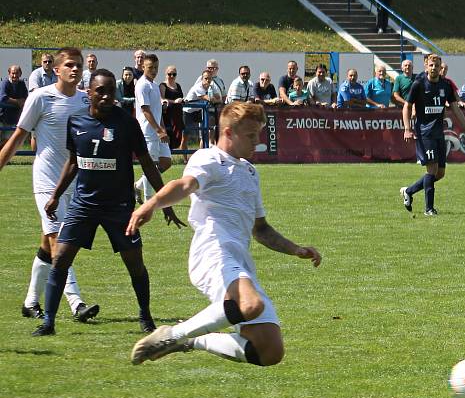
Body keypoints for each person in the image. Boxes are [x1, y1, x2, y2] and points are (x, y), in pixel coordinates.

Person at [128, 103, 322, 367]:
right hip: (213, 252)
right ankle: (173, 335)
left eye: (259, 135)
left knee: (269, 350)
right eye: (251, 136)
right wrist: (151, 204)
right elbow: (183, 185)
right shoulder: (209, 159)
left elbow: (261, 228)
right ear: (229, 133)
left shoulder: (250, 173)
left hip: (239, 261)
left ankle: (190, 339)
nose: (257, 142)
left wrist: (294, 248)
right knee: (250, 304)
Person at [31, 70, 185, 337]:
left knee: (135, 264)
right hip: (83, 206)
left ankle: (145, 317)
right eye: (100, 90)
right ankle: (48, 323)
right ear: (88, 92)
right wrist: (56, 195)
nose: (105, 95)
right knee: (60, 260)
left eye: (110, 91)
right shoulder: (76, 121)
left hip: (120, 208)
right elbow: (73, 162)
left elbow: (147, 163)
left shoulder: (126, 123)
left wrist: (164, 201)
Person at [0, 48, 98, 324]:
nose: (75, 69)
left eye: (78, 65)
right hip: (45, 182)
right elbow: (18, 136)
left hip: (74, 183)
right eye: (69, 65)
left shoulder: (84, 100)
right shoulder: (40, 98)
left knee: (47, 242)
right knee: (60, 243)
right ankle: (76, 302)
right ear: (57, 70)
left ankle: (31, 302)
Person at [400, 54, 465, 216]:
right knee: (432, 169)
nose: (434, 68)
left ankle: (409, 191)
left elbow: (455, 109)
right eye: (431, 65)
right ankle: (429, 209)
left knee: (440, 173)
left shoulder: (446, 85)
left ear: (441, 67)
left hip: (439, 133)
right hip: (424, 133)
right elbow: (407, 106)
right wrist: (407, 128)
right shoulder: (418, 84)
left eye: (437, 65)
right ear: (426, 66)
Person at [134, 54, 172, 203]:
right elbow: (145, 110)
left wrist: (163, 128)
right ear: (143, 67)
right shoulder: (142, 85)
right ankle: (149, 201)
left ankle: (137, 185)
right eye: (150, 67)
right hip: (148, 132)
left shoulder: (155, 85)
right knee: (151, 165)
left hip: (157, 131)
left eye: (156, 67)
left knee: (166, 162)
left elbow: (157, 111)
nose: (154, 70)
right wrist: (158, 130)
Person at [1, 65, 27, 150]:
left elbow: (25, 98)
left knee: (7, 140)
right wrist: (18, 102)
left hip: (13, 118)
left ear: (20, 74)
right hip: (2, 116)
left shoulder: (22, 83)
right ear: (9, 73)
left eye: (17, 73)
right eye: (13, 73)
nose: (15, 75)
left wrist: (20, 102)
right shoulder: (5, 82)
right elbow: (3, 98)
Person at [160, 65, 185, 152]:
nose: (171, 76)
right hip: (168, 115)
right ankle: (166, 156)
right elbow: (161, 99)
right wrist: (174, 101)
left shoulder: (178, 85)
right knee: (169, 134)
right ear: (166, 74)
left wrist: (181, 100)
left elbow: (181, 97)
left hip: (178, 115)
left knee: (178, 138)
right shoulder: (163, 85)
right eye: (169, 74)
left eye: (174, 74)